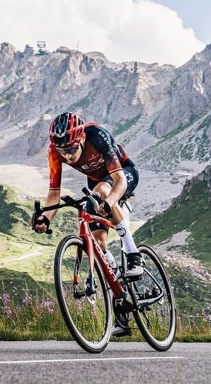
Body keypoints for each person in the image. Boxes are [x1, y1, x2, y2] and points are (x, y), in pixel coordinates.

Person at [31, 112, 142, 335]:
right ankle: (120, 303)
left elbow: (119, 180)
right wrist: (45, 218)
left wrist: (110, 201)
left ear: (81, 139)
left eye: (71, 149)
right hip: (96, 185)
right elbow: (54, 193)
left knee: (102, 190)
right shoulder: (56, 152)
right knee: (98, 243)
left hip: (124, 174)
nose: (68, 156)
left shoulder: (98, 136)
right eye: (63, 151)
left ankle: (133, 253)